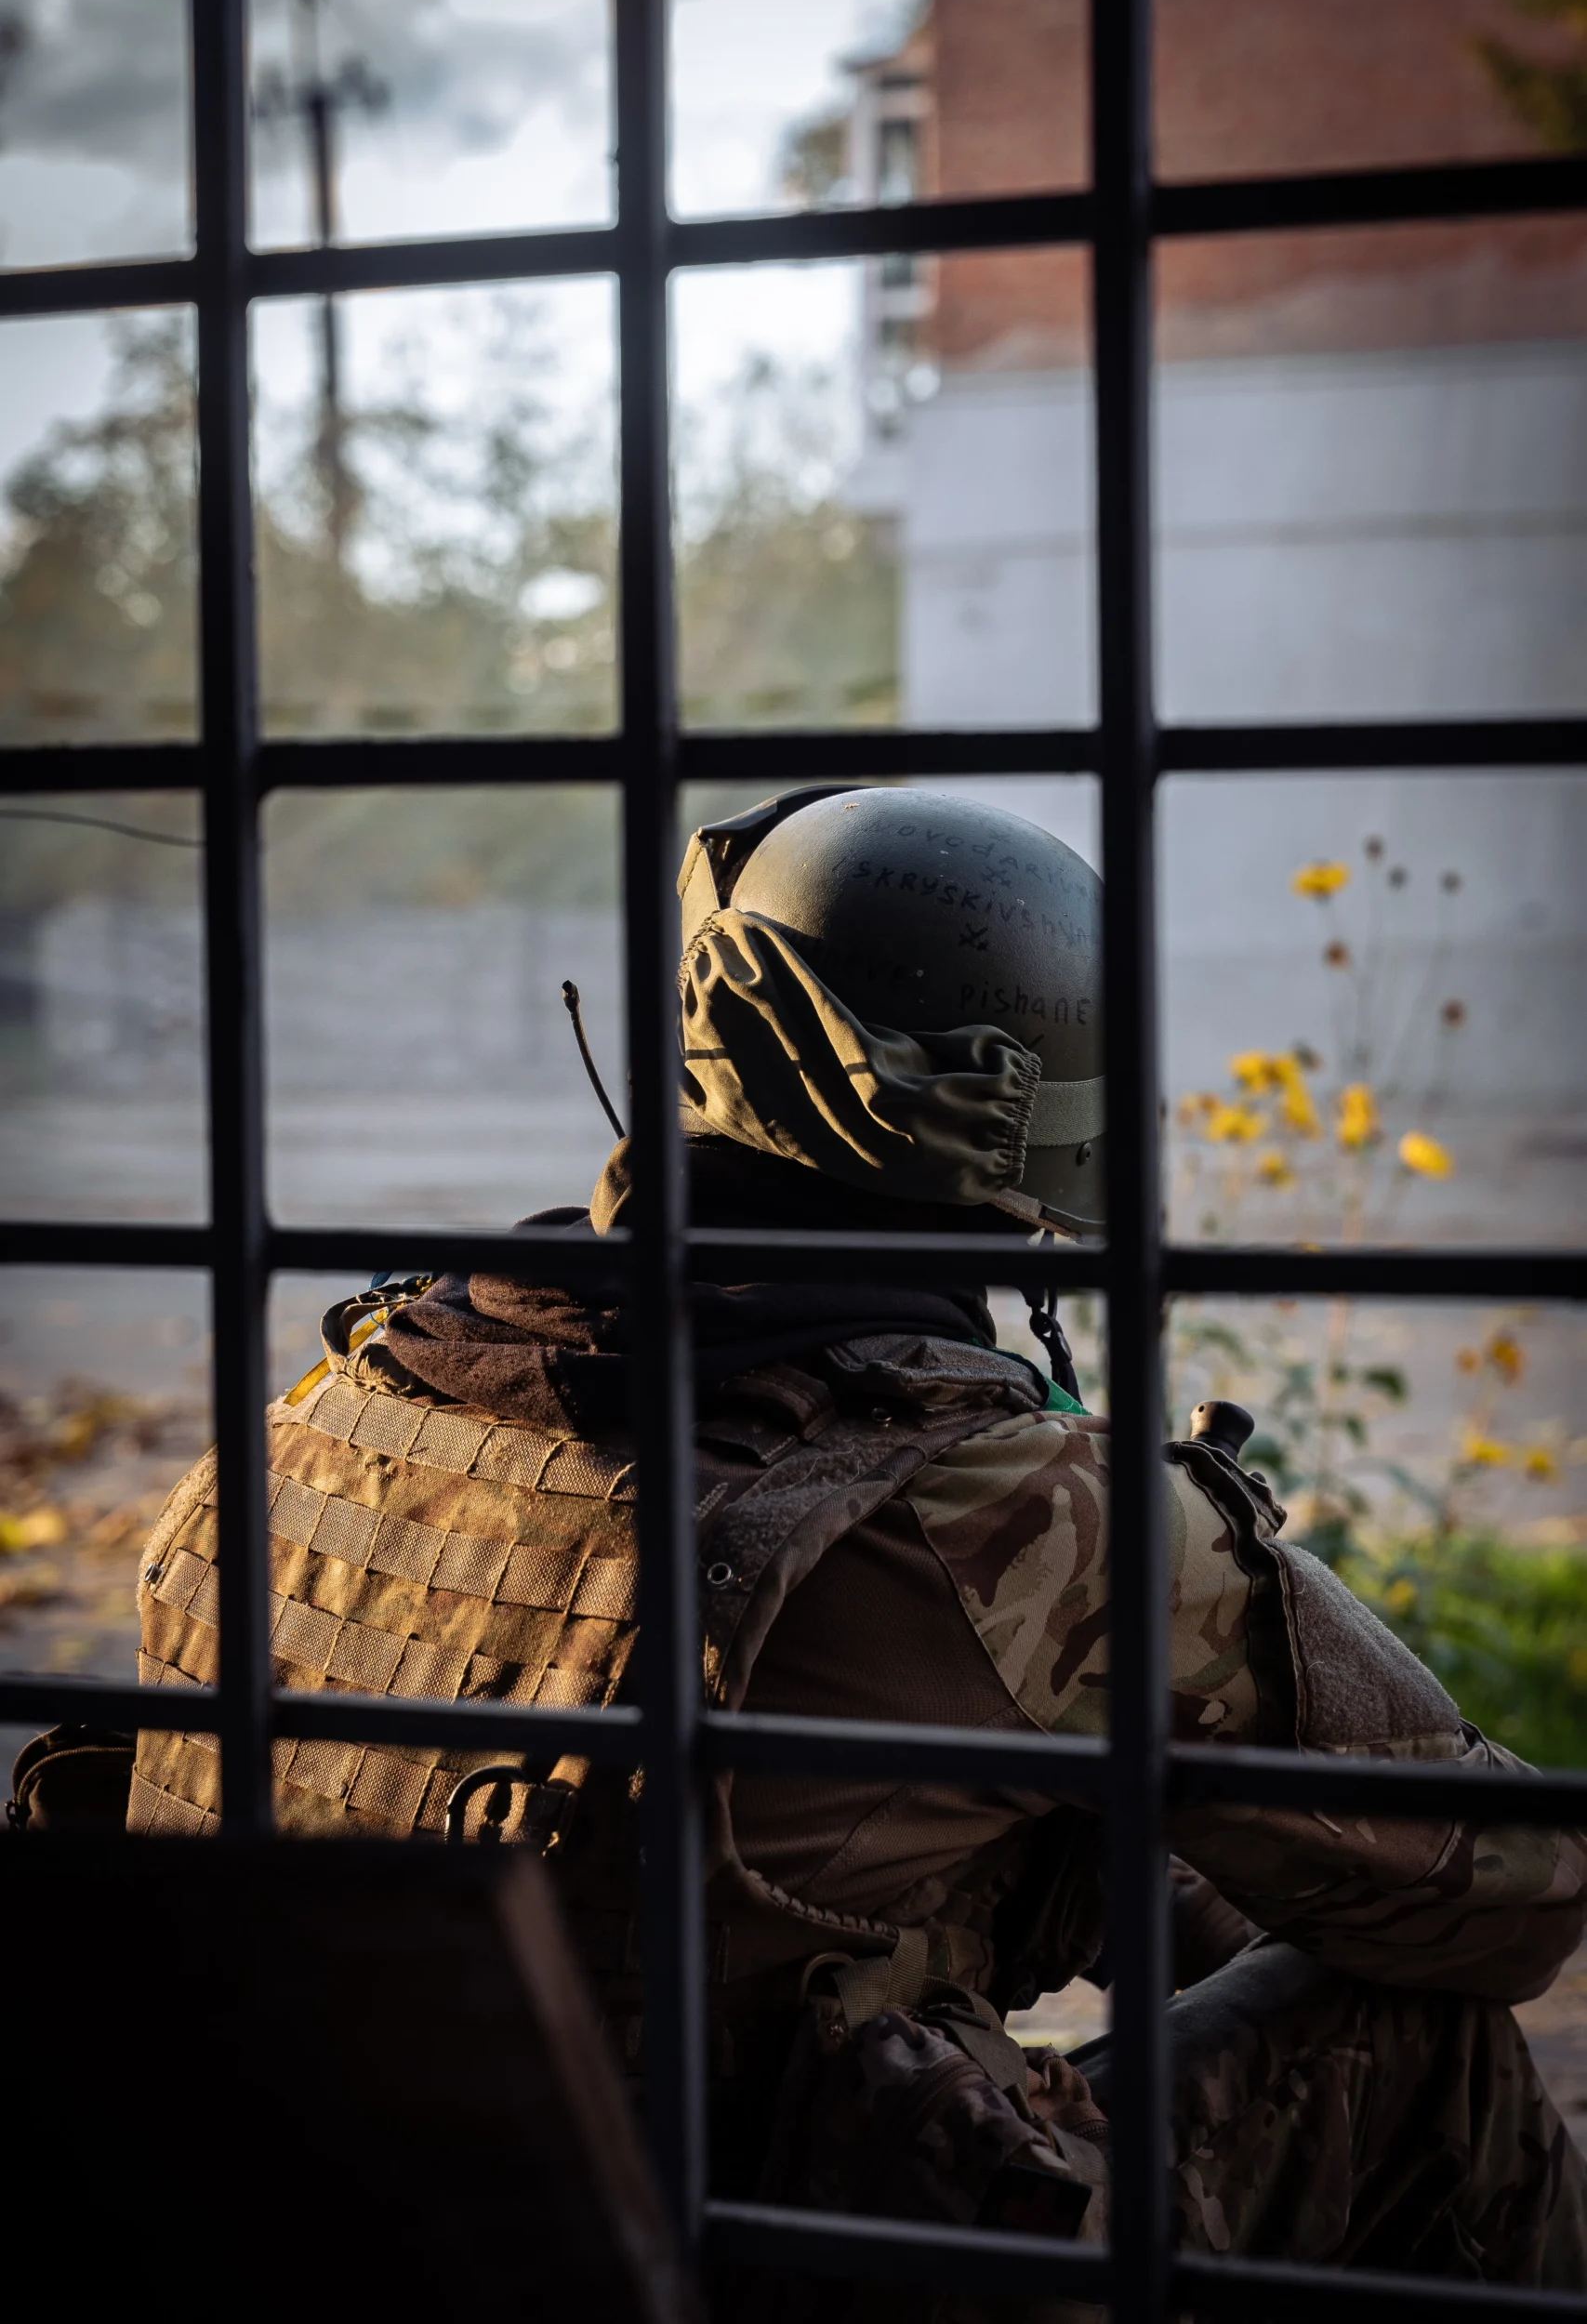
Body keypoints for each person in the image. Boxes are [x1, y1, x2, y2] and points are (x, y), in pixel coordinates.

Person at [129, 786, 1587, 2298]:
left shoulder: (331, 1395)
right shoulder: (1015, 1508)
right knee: (1426, 2043)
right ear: (1009, 1124)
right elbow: (1509, 1894)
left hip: (286, 2227)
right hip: (739, 2269)